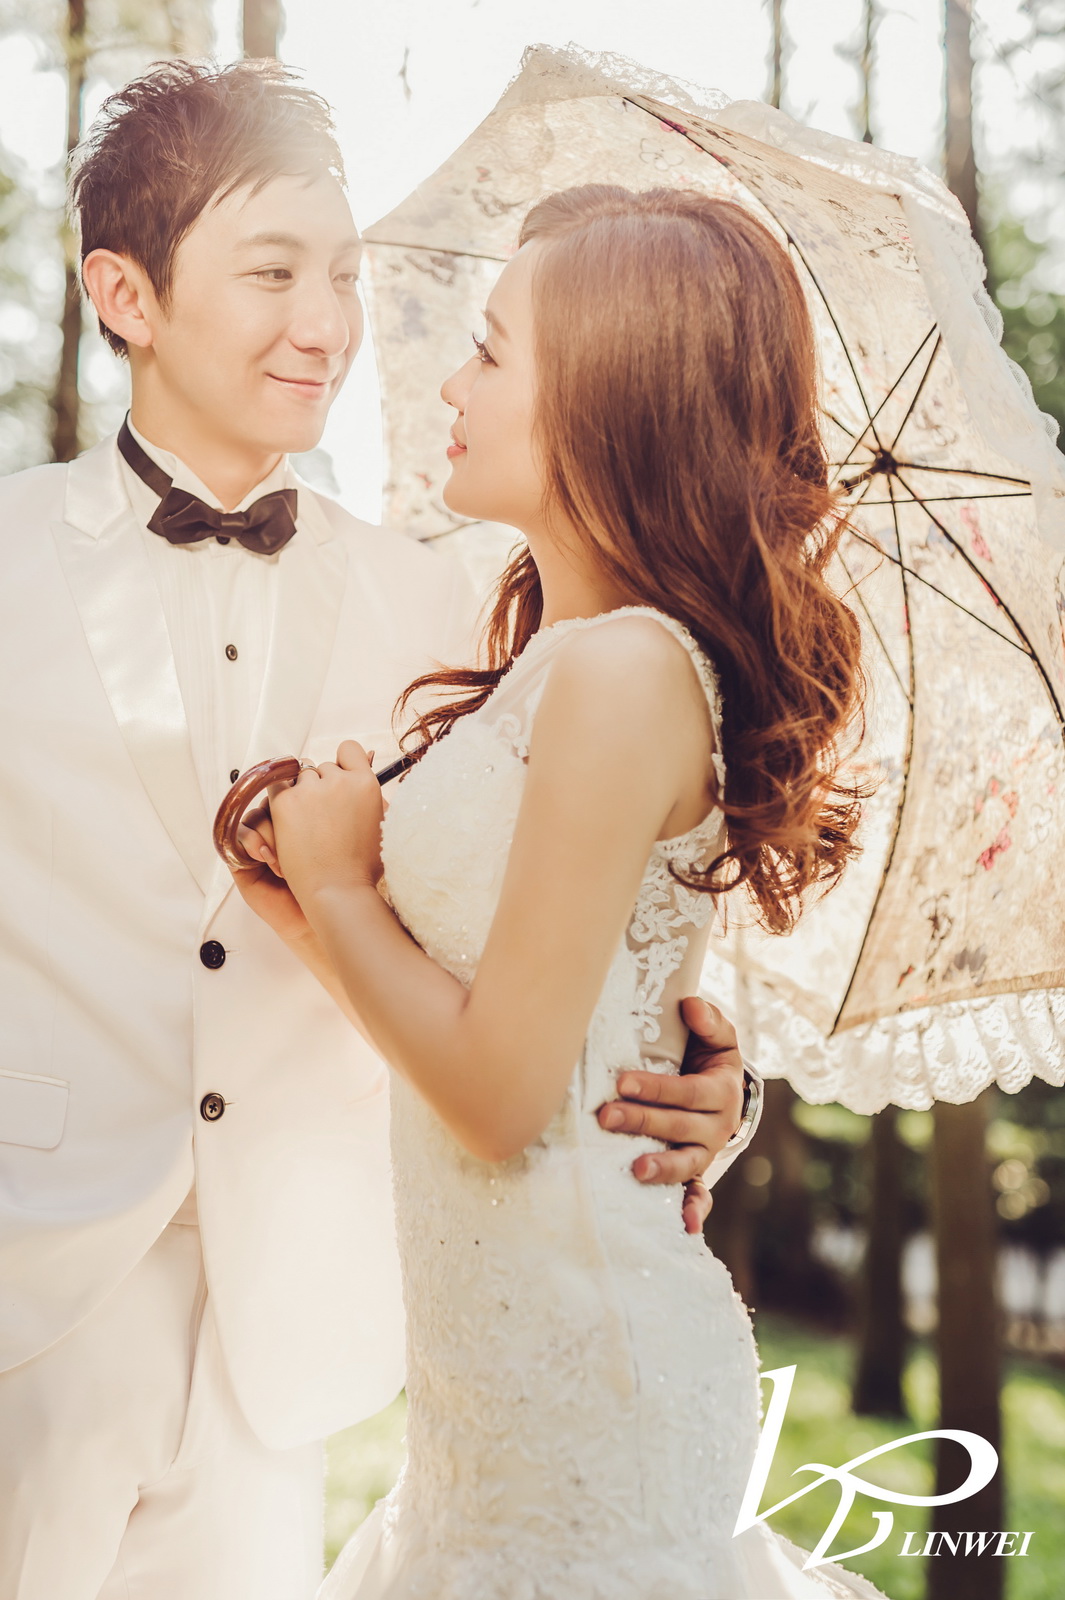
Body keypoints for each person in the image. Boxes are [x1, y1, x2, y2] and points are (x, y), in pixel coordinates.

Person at [0, 65, 756, 1600]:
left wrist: (699, 1077)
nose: (326, 324)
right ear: (125, 296)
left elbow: (572, 906)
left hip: (295, 1326)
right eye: (271, 272)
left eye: (343, 274)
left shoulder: (459, 605)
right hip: (31, 1282)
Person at [238, 184, 886, 1600]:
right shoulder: (552, 664)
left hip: (589, 1392)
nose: (450, 385)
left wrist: (342, 889)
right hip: (489, 1412)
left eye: (489, 350)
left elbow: (499, 1094)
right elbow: (491, 1010)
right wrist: (307, 896)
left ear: (606, 397)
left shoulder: (625, 672)